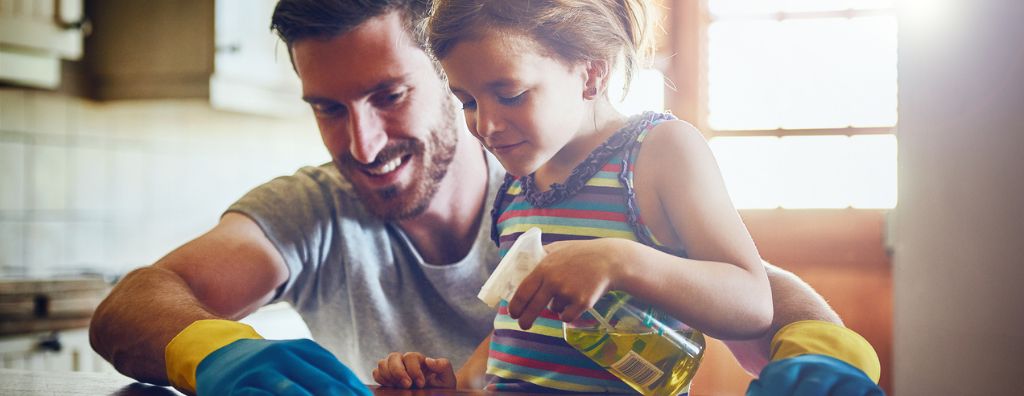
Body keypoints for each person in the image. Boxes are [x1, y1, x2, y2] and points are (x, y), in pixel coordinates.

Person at [87, 0, 882, 395]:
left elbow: (753, 290)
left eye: (388, 95)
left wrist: (824, 352)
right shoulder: (323, 208)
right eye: (328, 109)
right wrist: (228, 360)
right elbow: (132, 305)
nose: (361, 145)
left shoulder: (591, 159)